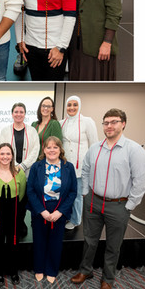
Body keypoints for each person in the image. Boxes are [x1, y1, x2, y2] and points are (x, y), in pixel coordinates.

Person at [70, 108, 145, 289]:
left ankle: (108, 279)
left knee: (113, 245)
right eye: (106, 122)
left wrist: (129, 206)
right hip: (94, 202)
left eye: (114, 122)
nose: (109, 126)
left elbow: (141, 182)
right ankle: (86, 270)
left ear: (123, 124)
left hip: (119, 206)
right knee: (89, 241)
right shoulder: (95, 148)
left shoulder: (134, 150)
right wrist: (86, 193)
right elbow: (86, 170)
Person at [27, 136, 77, 283]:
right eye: (49, 147)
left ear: (60, 149)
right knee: (39, 240)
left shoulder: (69, 167)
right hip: (40, 209)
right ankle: (39, 268)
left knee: (55, 242)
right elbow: (30, 191)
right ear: (44, 150)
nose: (52, 150)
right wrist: (42, 211)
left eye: (55, 147)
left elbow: (73, 192)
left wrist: (60, 212)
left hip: (59, 210)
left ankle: (51, 269)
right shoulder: (37, 167)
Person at [0, 144, 26, 284]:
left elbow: (21, 195)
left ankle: (13, 271)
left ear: (12, 156)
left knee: (13, 243)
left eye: (8, 154)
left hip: (14, 212)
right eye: (2, 154)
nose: (5, 157)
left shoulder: (19, 172)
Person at [60, 96, 99, 229]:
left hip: (80, 166)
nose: (71, 107)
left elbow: (94, 144)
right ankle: (66, 216)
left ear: (79, 106)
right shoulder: (61, 123)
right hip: (65, 166)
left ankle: (76, 220)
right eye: (69, 105)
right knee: (64, 194)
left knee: (77, 195)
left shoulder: (87, 122)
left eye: (75, 105)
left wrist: (92, 165)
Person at [0, 102, 40, 174]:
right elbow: (0, 149)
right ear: (12, 114)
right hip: (9, 170)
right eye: (16, 112)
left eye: (21, 112)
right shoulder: (4, 131)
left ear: (25, 114)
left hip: (28, 171)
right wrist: (15, 165)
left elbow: (35, 150)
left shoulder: (32, 131)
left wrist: (23, 166)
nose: (18, 114)